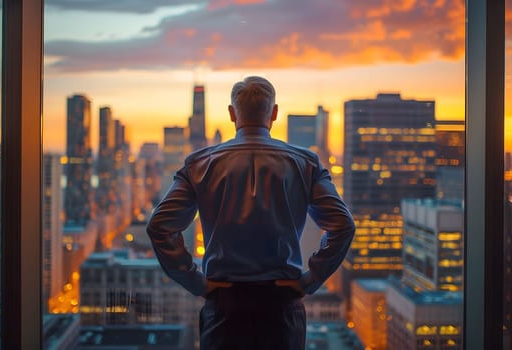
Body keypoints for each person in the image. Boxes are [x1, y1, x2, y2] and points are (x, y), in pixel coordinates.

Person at [146, 76, 355, 350]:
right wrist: (309, 280)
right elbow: (343, 225)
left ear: (232, 114)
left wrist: (195, 281)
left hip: (225, 304)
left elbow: (159, 226)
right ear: (275, 113)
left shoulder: (199, 165)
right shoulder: (305, 164)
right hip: (282, 304)